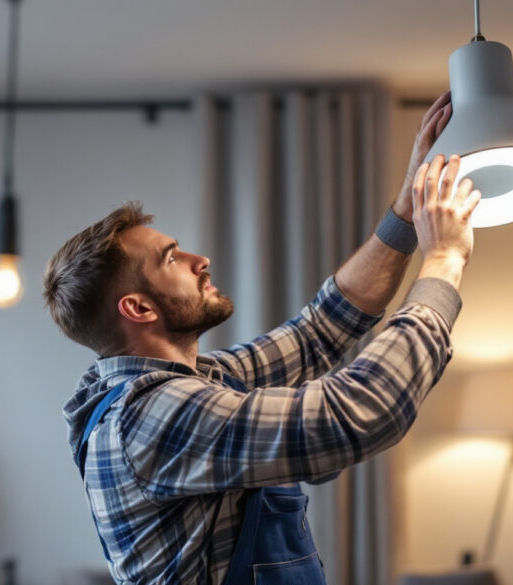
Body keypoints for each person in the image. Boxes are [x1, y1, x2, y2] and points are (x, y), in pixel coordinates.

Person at [42, 92, 481, 585]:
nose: (199, 260)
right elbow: (359, 413)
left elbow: (321, 330)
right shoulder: (151, 418)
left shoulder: (202, 381)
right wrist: (443, 261)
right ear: (139, 308)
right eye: (171, 259)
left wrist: (406, 211)